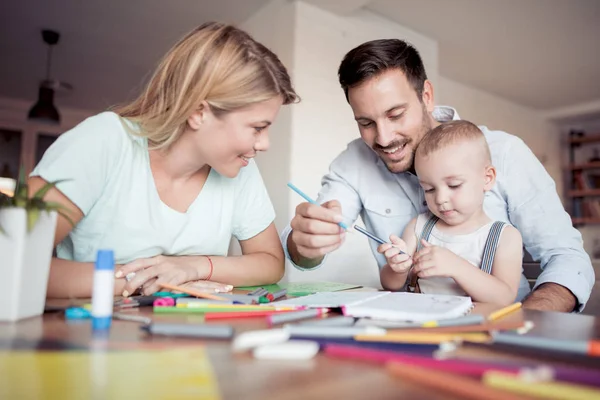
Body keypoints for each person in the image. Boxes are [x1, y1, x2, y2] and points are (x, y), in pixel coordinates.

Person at [282, 38, 595, 312]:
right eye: (366, 122)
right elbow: (304, 252)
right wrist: (306, 240)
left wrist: (523, 322)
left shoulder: (505, 152)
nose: (384, 137)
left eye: (395, 114)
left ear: (426, 96)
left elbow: (567, 258)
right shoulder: (354, 163)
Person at [29, 22, 299, 298]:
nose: (265, 144)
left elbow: (270, 262)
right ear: (198, 112)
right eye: (257, 128)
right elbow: (12, 258)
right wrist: (155, 281)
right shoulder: (103, 141)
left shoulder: (239, 167)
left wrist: (194, 267)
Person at [379, 120, 523, 306]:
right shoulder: (418, 227)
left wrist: (457, 267)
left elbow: (504, 298)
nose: (440, 199)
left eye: (454, 185)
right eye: (429, 189)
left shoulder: (504, 237)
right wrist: (396, 270)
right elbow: (390, 285)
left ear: (487, 179)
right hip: (423, 327)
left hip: (474, 330)